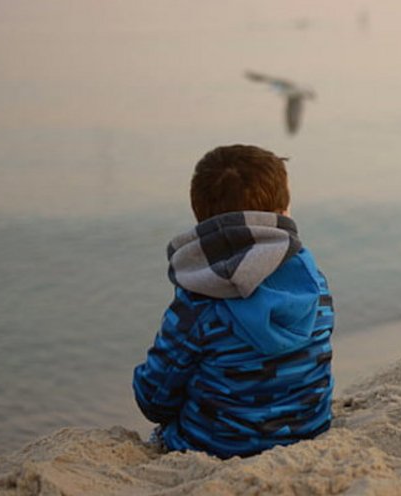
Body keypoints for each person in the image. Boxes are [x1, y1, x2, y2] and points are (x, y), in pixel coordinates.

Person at [132, 144, 334, 459]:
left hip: (217, 447)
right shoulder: (314, 282)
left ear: (201, 219)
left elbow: (154, 399)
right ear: (282, 214)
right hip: (310, 432)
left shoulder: (199, 301)